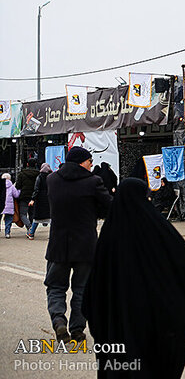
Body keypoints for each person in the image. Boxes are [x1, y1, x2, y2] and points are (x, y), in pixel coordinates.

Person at [82, 178, 185, 378]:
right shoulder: (155, 228)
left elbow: (94, 288)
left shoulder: (109, 235)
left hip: (116, 322)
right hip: (148, 320)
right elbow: (182, 258)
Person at [45, 146, 113, 343]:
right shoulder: (93, 182)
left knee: (56, 286)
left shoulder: (52, 180)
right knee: (82, 288)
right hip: (85, 246)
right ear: (81, 162)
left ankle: (58, 320)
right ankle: (77, 329)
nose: (92, 164)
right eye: (90, 161)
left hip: (58, 245)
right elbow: (108, 207)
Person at [27, 162, 52, 239]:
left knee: (37, 217)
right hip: (49, 198)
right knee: (50, 218)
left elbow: (36, 189)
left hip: (40, 199)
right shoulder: (51, 176)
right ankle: (52, 235)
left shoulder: (39, 177)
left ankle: (31, 233)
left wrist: (33, 199)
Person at [16, 157, 40, 236]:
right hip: (34, 197)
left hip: (24, 196)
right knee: (32, 214)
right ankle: (31, 230)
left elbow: (18, 185)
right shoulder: (38, 174)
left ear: (27, 164)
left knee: (23, 214)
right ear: (35, 164)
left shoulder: (22, 174)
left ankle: (29, 227)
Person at [2, 173, 20, 238]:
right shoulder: (12, 186)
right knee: (8, 220)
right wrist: (19, 191)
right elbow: (16, 195)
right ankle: (7, 233)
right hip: (9, 206)